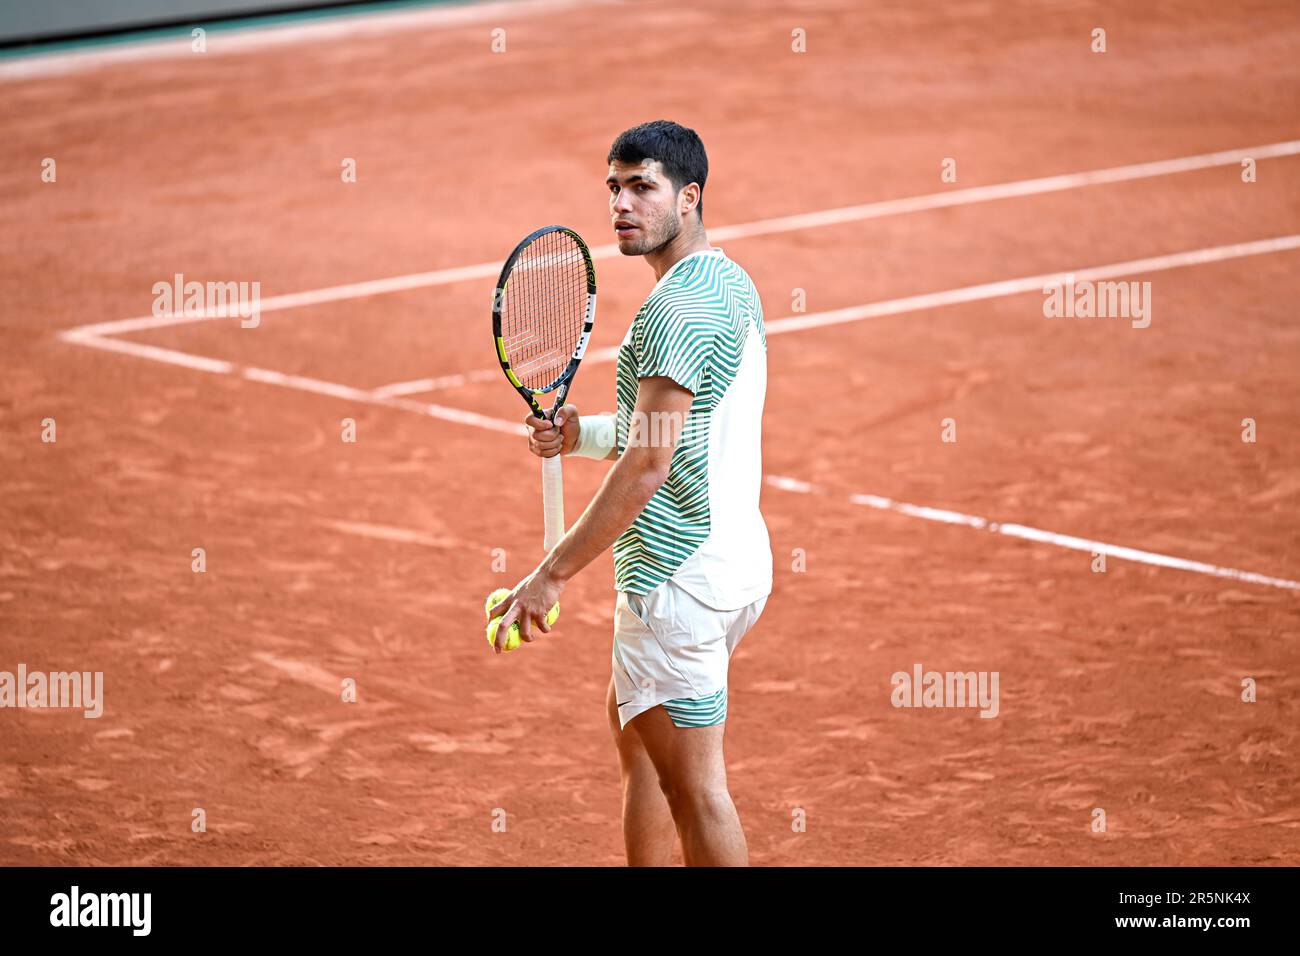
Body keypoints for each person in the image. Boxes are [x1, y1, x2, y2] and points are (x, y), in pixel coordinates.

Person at [490, 120, 772, 866]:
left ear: (690, 197)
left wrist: (550, 575)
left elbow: (649, 466)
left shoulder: (671, 311)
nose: (621, 203)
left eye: (642, 186)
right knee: (640, 741)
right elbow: (677, 430)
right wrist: (580, 434)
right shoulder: (728, 283)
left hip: (677, 583)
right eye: (614, 187)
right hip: (736, 568)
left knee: (697, 791)